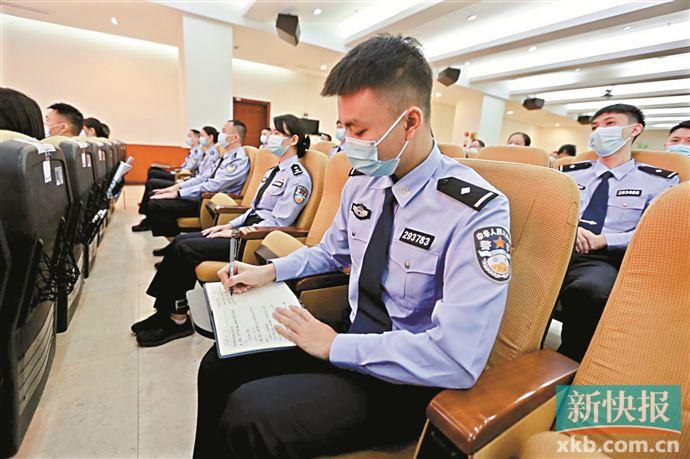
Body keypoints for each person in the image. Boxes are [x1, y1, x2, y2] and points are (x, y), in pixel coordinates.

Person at [193, 35, 511, 458]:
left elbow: (457, 356)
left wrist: (333, 346)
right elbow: (330, 252)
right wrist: (268, 271)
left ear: (410, 123)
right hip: (350, 336)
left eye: (358, 130)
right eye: (343, 127)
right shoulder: (364, 182)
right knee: (219, 365)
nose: (346, 143)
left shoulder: (474, 211)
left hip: (407, 377)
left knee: (251, 414)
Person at [132, 114, 313, 347]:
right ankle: (164, 311)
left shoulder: (299, 178)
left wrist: (238, 233)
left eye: (277, 133)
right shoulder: (273, 171)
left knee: (186, 249)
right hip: (245, 229)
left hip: (256, 240)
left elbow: (279, 222)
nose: (271, 138)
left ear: (293, 140)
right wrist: (229, 225)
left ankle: (178, 320)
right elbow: (253, 209)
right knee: (179, 242)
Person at [557, 103, 679, 362]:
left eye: (610, 123)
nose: (599, 131)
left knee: (590, 290)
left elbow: (654, 231)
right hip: (557, 247)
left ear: (634, 129)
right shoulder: (569, 174)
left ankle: (570, 361)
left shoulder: (658, 181)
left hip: (603, 257)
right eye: (595, 127)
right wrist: (570, 229)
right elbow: (548, 211)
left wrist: (605, 240)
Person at [145, 120, 250, 238]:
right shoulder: (226, 156)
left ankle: (175, 240)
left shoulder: (238, 160)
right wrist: (177, 188)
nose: (220, 135)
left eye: (224, 131)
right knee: (154, 198)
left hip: (209, 202)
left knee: (156, 204)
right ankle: (173, 239)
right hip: (202, 196)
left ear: (235, 137)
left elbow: (215, 185)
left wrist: (179, 193)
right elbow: (203, 179)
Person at [132, 129, 205, 232]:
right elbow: (185, 167)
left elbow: (191, 169)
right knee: (153, 170)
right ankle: (145, 210)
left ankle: (146, 212)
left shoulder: (199, 151)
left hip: (182, 177)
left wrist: (179, 181)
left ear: (197, 138)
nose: (188, 138)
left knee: (152, 181)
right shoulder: (193, 150)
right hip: (181, 176)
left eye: (190, 136)